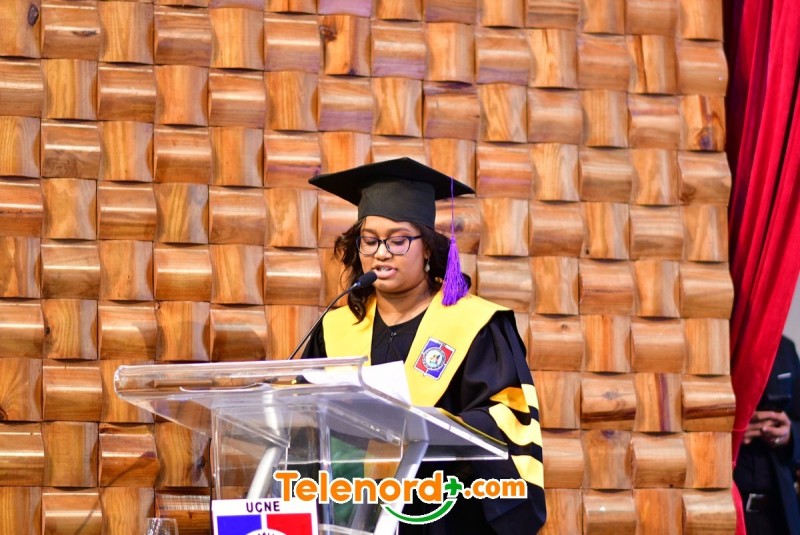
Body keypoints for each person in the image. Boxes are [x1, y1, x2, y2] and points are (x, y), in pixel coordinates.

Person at [302, 158, 546, 534]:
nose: (381, 253)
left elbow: (509, 420)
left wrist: (433, 427)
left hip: (443, 515)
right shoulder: (334, 329)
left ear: (428, 249)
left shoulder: (475, 325)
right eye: (370, 240)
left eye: (398, 240)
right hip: (351, 516)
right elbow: (303, 424)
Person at [734, 335, 800, 534]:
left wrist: (789, 434)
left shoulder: (785, 348)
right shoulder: (718, 341)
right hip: (728, 507)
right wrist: (732, 434)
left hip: (779, 512)